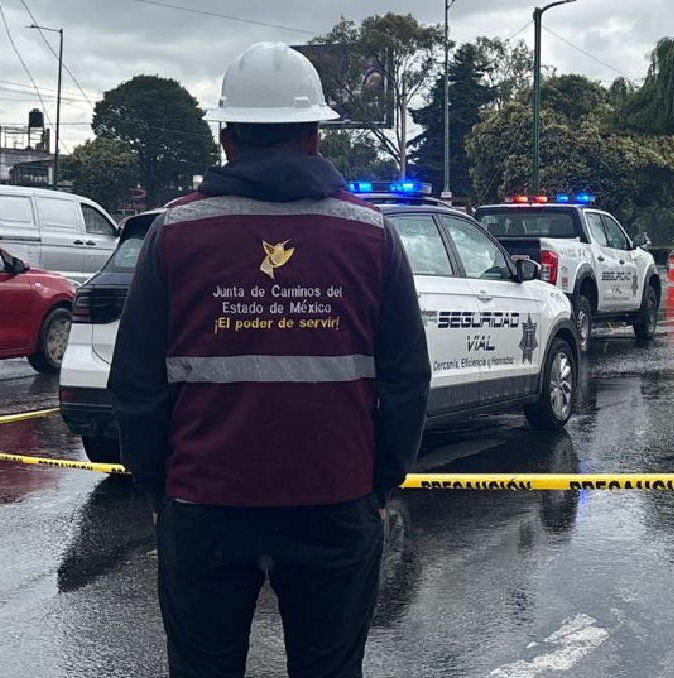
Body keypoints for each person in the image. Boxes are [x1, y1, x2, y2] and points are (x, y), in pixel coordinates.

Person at [107, 42, 431, 678]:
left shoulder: (175, 235)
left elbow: (136, 382)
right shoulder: (371, 236)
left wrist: (157, 489)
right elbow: (407, 379)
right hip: (336, 504)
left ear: (226, 138)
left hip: (204, 507)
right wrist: (379, 485)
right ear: (315, 138)